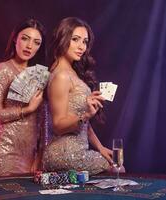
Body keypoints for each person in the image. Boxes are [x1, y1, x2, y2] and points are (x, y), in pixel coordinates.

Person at [42, 17, 113, 175]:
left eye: (85, 42)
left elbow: (83, 122)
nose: (81, 46)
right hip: (63, 154)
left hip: (77, 151)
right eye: (75, 39)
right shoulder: (60, 75)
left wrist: (100, 147)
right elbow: (58, 125)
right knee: (116, 168)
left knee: (114, 163)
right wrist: (85, 115)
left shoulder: (71, 72)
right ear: (63, 38)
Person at [0, 18, 46, 176]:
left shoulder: (38, 74)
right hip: (5, 152)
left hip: (31, 156)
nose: (29, 46)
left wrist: (40, 154)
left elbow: (42, 120)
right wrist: (27, 109)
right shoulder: (3, 69)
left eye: (36, 42)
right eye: (25, 38)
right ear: (15, 39)